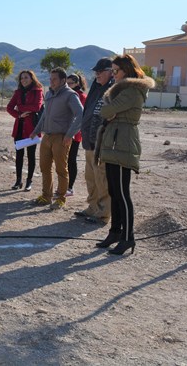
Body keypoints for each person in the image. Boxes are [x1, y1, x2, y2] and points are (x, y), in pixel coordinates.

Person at [95, 55, 155, 255]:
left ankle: (128, 238)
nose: (113, 75)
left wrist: (111, 111)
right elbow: (108, 111)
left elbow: (106, 110)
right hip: (115, 143)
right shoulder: (123, 90)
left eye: (116, 71)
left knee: (122, 194)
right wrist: (111, 112)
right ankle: (115, 232)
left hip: (123, 144)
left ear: (127, 70)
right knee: (114, 192)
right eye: (111, 71)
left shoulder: (132, 90)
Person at [30, 67, 83, 209]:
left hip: (61, 138)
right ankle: (46, 196)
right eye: (50, 79)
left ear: (63, 80)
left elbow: (80, 114)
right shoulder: (48, 94)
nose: (51, 82)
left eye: (54, 79)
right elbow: (45, 115)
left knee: (61, 169)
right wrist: (36, 130)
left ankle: (60, 198)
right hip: (47, 137)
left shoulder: (70, 95)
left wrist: (69, 135)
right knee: (45, 167)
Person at [74, 58, 115, 224]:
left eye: (100, 71)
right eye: (96, 72)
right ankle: (92, 207)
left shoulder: (113, 89)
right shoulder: (96, 87)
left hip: (102, 142)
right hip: (90, 141)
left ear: (110, 72)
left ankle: (103, 212)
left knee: (102, 178)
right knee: (90, 177)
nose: (96, 74)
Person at [6, 70, 44, 192]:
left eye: (26, 77)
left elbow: (37, 107)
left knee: (31, 156)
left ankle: (29, 181)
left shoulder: (38, 91)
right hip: (19, 128)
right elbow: (9, 107)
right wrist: (19, 115)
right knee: (19, 155)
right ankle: (18, 181)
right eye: (21, 78)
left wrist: (20, 107)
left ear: (32, 78)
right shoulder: (18, 92)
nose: (23, 80)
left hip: (31, 129)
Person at [65, 73, 88, 197]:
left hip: (75, 133)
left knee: (71, 159)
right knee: (63, 160)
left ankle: (70, 187)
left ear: (77, 83)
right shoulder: (66, 94)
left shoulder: (81, 96)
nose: (68, 85)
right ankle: (64, 185)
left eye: (71, 83)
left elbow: (80, 116)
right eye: (67, 83)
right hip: (64, 131)